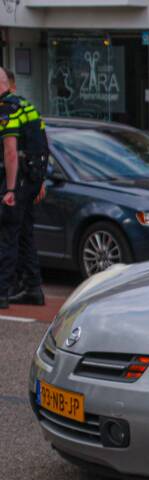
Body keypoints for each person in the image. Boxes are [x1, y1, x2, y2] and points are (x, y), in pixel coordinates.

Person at [0, 67, 47, 308]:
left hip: (16, 180)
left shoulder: (6, 109)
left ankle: (2, 291)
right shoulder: (27, 105)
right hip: (31, 178)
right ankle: (33, 288)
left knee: (8, 234)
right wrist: (40, 180)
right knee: (26, 233)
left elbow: (10, 151)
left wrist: (9, 189)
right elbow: (43, 142)